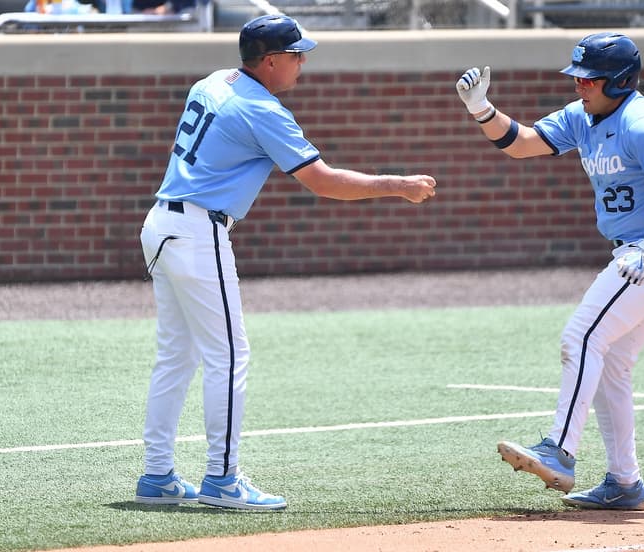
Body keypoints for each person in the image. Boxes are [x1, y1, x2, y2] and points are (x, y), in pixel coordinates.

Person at [135, 14, 436, 511]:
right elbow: (323, 181)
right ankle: (222, 478)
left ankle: (158, 474)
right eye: (296, 55)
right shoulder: (263, 110)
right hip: (196, 231)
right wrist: (396, 185)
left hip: (162, 226)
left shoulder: (213, 80)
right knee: (229, 356)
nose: (303, 62)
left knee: (177, 356)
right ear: (271, 61)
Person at [455, 32, 644, 510]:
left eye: (591, 78)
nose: (580, 85)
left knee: (580, 338)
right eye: (578, 76)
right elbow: (523, 143)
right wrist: (482, 109)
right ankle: (625, 484)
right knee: (609, 364)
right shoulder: (583, 117)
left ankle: (560, 450)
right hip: (643, 255)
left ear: (621, 80)